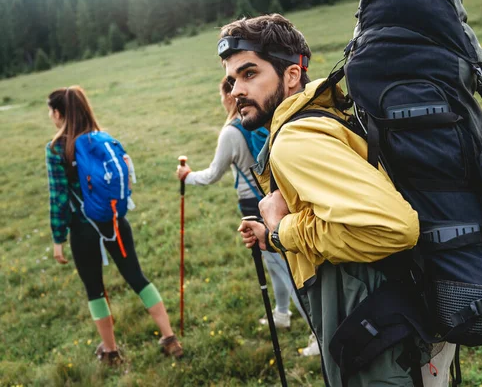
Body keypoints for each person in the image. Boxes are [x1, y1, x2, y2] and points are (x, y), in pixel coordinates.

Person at [229, 14, 455, 386]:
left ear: (290, 76)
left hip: (378, 336)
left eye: (249, 74)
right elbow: (340, 219)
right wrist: (272, 236)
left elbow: (393, 228)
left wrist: (283, 228)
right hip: (399, 317)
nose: (237, 89)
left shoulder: (296, 139)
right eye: (233, 79)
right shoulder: (324, 116)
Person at [176, 77, 319, 356]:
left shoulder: (231, 132)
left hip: (253, 208)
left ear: (227, 97)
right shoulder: (264, 122)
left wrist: (187, 176)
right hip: (276, 201)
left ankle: (318, 334)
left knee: (287, 272)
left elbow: (212, 175)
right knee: (277, 267)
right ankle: (281, 314)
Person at [45, 86, 183, 365]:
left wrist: (58, 239)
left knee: (94, 289)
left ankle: (110, 352)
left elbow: (59, 197)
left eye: (50, 111)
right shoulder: (104, 139)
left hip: (83, 230)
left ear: (59, 114)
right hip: (115, 221)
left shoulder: (56, 149)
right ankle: (170, 339)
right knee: (137, 277)